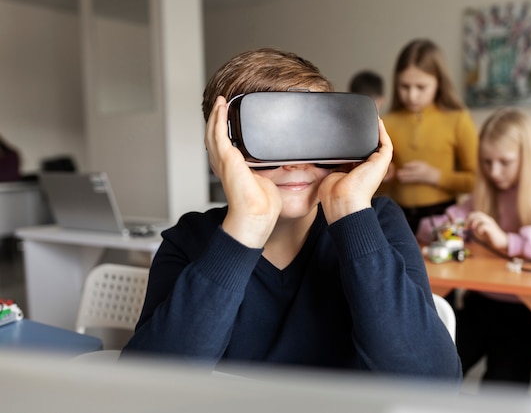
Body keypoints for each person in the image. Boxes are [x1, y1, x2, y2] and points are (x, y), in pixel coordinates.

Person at [121, 48, 462, 382]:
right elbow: (145, 388)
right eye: (268, 137)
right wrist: (245, 228)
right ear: (219, 153)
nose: (295, 163)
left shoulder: (378, 222)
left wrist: (351, 211)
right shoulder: (189, 240)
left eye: (311, 134)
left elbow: (434, 382)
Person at [416, 107, 531, 389]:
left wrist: (509, 241)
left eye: (505, 162)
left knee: (501, 387)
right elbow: (429, 229)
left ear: (529, 157)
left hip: (530, 313)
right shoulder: (486, 192)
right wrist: (451, 227)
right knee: (433, 367)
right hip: (480, 307)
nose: (494, 171)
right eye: (487, 162)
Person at [381, 39, 478, 232]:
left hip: (444, 215)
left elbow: (476, 181)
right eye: (404, 86)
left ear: (439, 83)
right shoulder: (386, 123)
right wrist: (384, 175)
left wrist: (435, 176)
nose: (412, 95)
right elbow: (376, 188)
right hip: (396, 215)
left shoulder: (458, 119)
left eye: (421, 87)